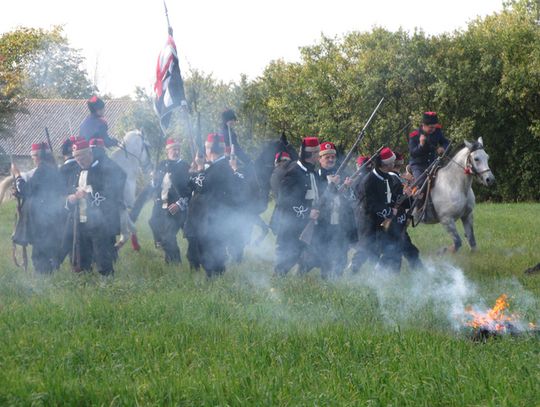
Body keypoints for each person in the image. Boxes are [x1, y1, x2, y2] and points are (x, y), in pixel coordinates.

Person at [184, 133, 245, 277]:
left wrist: (199, 168)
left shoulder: (219, 168)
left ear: (211, 149)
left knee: (209, 250)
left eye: (206, 148)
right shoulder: (220, 166)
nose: (205, 151)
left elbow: (201, 186)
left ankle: (214, 277)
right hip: (213, 216)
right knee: (209, 249)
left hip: (212, 217)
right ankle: (215, 275)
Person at [63, 140, 122, 275]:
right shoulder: (75, 172)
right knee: (81, 253)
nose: (79, 161)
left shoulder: (103, 170)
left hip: (100, 221)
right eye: (76, 157)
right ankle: (84, 279)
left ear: (90, 153)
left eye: (82, 157)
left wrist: (88, 195)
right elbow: (69, 192)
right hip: (80, 219)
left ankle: (107, 280)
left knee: (102, 254)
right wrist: (71, 198)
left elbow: (111, 193)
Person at [11, 143, 64, 274]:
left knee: (39, 253)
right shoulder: (52, 169)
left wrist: (17, 175)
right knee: (44, 248)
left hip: (41, 216)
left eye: (33, 156)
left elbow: (27, 190)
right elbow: (36, 190)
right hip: (50, 214)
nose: (32, 158)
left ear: (39, 156)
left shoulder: (42, 170)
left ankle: (44, 279)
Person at [273, 137, 323, 275]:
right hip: (292, 224)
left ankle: (299, 279)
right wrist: (307, 213)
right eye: (317, 153)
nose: (319, 156)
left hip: (307, 224)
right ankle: (276, 284)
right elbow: (284, 200)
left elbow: (320, 193)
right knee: (287, 259)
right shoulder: (294, 171)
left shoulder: (311, 171)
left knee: (314, 255)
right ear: (311, 154)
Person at [362, 147, 412, 273]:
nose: (394, 165)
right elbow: (369, 204)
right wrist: (388, 212)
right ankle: (376, 273)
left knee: (395, 248)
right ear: (384, 165)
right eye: (391, 163)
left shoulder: (388, 178)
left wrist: (407, 196)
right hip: (372, 224)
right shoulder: (369, 180)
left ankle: (392, 277)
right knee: (378, 252)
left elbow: (394, 199)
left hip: (386, 223)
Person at [148, 138, 191, 264]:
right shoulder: (162, 164)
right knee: (153, 223)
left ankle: (175, 264)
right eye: (173, 149)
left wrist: (179, 204)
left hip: (176, 207)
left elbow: (189, 189)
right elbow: (156, 186)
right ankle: (167, 255)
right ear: (167, 151)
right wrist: (153, 179)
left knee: (168, 235)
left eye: (178, 149)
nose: (176, 151)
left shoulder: (185, 166)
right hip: (161, 205)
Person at [408, 111, 450, 184]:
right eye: (431, 127)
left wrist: (443, 148)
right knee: (421, 183)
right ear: (423, 125)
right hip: (418, 165)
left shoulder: (437, 131)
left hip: (433, 164)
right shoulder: (414, 135)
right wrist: (421, 145)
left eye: (435, 127)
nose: (433, 129)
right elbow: (413, 153)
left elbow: (446, 142)